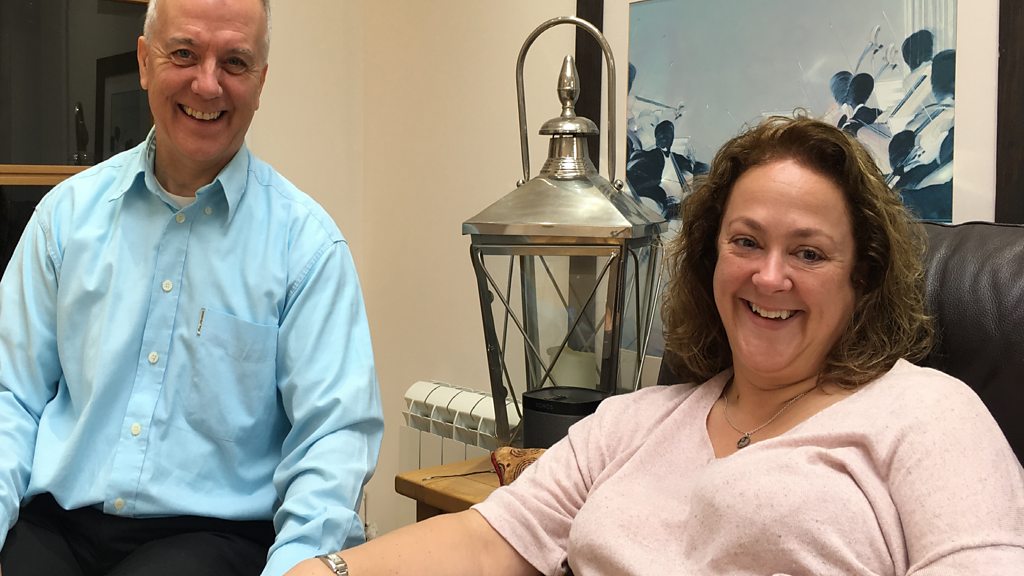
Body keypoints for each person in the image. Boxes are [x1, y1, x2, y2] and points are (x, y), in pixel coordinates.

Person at [286, 115, 1024, 576]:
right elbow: (485, 542)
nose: (770, 277)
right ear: (709, 259)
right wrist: (327, 572)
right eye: (746, 242)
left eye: (808, 253)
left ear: (862, 277)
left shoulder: (927, 415)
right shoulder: (635, 421)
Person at [0, 0, 383, 574]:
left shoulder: (306, 248)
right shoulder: (65, 219)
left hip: (214, 536)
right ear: (144, 61)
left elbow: (333, 440)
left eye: (234, 62)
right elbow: (10, 394)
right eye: (184, 53)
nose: (208, 84)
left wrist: (297, 567)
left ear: (261, 82)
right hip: (59, 523)